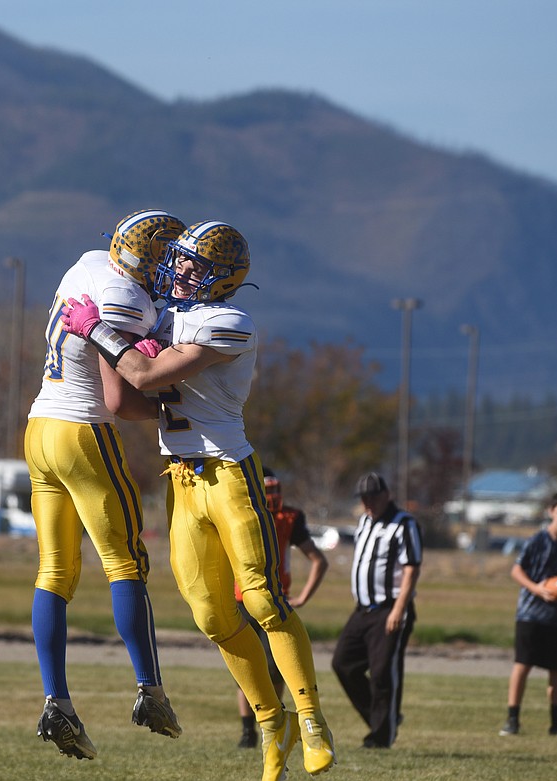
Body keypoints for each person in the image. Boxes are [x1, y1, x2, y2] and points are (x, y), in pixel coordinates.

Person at [60, 219, 337, 780]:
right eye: (179, 258)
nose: (180, 269)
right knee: (211, 616)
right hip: (180, 480)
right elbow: (127, 398)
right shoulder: (162, 312)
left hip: (230, 472)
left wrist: (101, 333)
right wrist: (108, 340)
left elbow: (148, 370)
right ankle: (270, 723)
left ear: (225, 279)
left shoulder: (229, 321)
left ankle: (310, 718)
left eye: (196, 265)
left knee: (260, 598)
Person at [26, 209, 186, 760]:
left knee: (55, 570)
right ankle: (150, 688)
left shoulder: (90, 263)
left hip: (39, 427)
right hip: (83, 432)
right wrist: (170, 403)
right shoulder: (130, 304)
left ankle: (57, 701)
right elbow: (120, 398)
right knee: (126, 563)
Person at [233, 467, 328, 750]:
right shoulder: (238, 513)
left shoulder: (289, 518)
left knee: (275, 669)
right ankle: (248, 731)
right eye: (266, 490)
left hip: (275, 599)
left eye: (273, 490)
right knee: (247, 669)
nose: (271, 497)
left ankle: (272, 724)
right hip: (242, 599)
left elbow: (318, 559)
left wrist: (303, 597)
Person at [331, 471, 422, 749]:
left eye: (372, 497)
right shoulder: (364, 522)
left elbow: (411, 568)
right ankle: (383, 717)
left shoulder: (403, 524)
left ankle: (381, 737)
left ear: (386, 495)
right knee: (343, 664)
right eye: (363, 498)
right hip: (363, 610)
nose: (368, 503)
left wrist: (399, 609)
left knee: (383, 672)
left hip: (389, 608)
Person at [499, 490, 557, 737]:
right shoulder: (536, 541)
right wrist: (538, 589)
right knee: (523, 665)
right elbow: (516, 571)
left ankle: (556, 724)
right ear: (551, 513)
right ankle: (512, 719)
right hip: (530, 614)